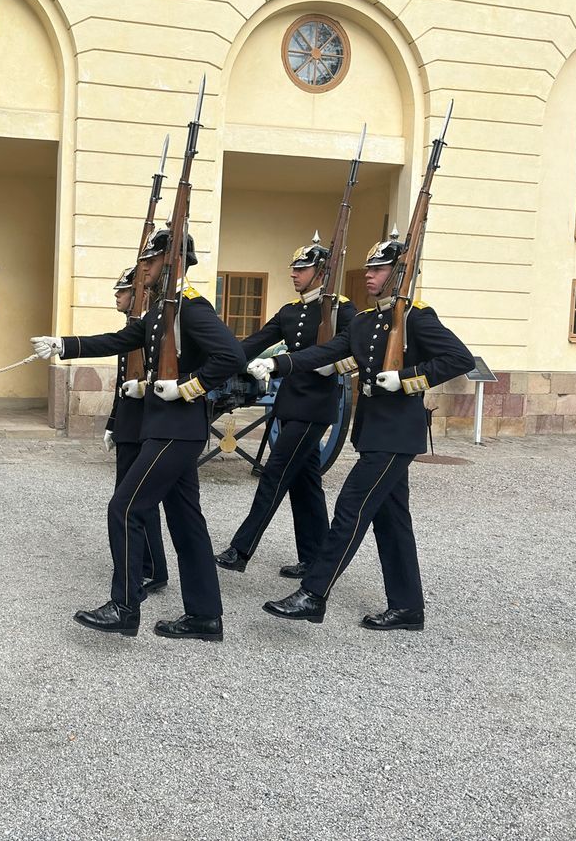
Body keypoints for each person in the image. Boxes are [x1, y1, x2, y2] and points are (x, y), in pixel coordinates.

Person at [247, 237, 473, 631]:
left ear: (399, 273)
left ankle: (314, 594)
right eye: (369, 269)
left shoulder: (417, 317)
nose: (369, 275)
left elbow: (459, 359)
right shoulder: (367, 320)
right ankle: (407, 608)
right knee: (392, 520)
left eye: (379, 269)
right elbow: (328, 352)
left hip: (396, 435)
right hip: (373, 431)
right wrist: (279, 364)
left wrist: (405, 379)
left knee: (350, 508)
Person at [32, 229, 245, 641]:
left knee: (125, 508)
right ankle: (205, 617)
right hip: (167, 430)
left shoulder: (190, 307)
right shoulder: (162, 311)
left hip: (176, 430)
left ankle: (125, 607)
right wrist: (63, 344)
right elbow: (120, 340)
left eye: (150, 261)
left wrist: (189, 386)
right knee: (187, 524)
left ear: (172, 262)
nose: (142, 268)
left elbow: (231, 355)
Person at [214, 238, 357, 579]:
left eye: (302, 268)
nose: (294, 274)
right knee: (305, 484)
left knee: (274, 475)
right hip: (290, 404)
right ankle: (316, 559)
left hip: (316, 407)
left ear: (322, 272)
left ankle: (241, 549)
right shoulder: (291, 312)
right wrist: (221, 359)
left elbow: (359, 351)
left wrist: (332, 366)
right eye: (293, 268)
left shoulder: (342, 309)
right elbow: (256, 341)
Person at [105, 265, 168, 595]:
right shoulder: (133, 327)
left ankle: (150, 567)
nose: (117, 296)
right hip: (128, 425)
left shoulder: (148, 330)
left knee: (135, 502)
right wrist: (112, 424)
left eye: (122, 291)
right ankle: (145, 564)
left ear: (139, 294)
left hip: (143, 425)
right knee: (132, 500)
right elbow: (120, 384)